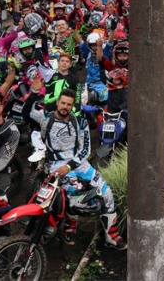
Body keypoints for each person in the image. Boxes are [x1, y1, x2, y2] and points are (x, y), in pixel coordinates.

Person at [23, 82, 126, 249]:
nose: (65, 107)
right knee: (74, 197)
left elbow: (85, 149)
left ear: (73, 106)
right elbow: (26, 113)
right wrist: (34, 92)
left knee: (106, 192)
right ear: (57, 102)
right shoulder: (45, 118)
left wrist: (70, 166)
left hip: (79, 165)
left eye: (69, 105)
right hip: (56, 166)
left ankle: (112, 236)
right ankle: (70, 228)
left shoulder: (80, 122)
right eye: (62, 103)